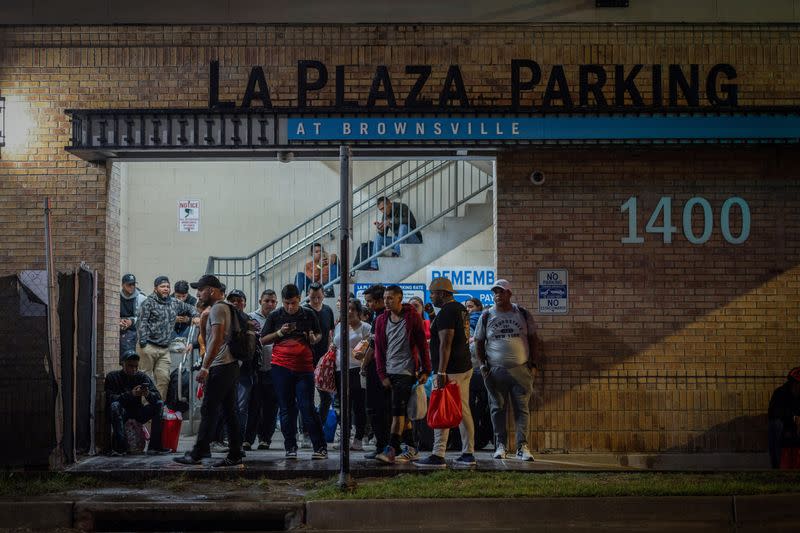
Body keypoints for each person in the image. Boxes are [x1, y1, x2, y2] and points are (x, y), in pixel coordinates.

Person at [174, 275, 244, 467]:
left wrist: (205, 366)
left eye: (201, 289)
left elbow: (216, 339)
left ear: (211, 290)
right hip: (229, 365)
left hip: (221, 366)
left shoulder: (218, 308)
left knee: (209, 409)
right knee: (229, 411)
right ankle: (234, 453)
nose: (198, 293)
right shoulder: (223, 308)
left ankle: (198, 453)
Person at [259, 283, 328, 460]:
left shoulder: (309, 313)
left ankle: (320, 447)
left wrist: (313, 338)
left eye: (294, 303)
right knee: (286, 409)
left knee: (307, 407)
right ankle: (290, 447)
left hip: (304, 368)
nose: (290, 307)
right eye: (287, 303)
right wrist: (280, 333)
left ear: (299, 299)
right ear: (283, 301)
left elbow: (319, 335)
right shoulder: (275, 316)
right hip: (280, 367)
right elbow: (263, 340)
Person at [414, 277, 475, 469]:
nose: (431, 297)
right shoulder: (460, 309)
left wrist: (440, 371)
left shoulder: (448, 311)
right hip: (463, 367)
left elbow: (445, 342)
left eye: (432, 293)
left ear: (441, 293)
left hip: (450, 371)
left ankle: (438, 454)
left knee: (443, 407)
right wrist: (433, 317)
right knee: (462, 409)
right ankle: (468, 453)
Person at [474, 279, 538, 462]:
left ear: (509, 293)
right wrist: (483, 365)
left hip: (521, 370)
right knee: (497, 409)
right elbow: (479, 341)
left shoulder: (522, 313)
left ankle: (522, 446)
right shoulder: (486, 315)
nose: (497, 295)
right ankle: (500, 445)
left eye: (501, 292)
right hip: (495, 371)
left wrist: (534, 365)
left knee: (522, 409)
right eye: (495, 292)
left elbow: (534, 339)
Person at [373, 285, 431, 464]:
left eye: (390, 298)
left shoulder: (412, 317)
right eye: (385, 298)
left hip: (406, 371)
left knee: (398, 413)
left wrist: (426, 370)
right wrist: (382, 374)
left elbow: (422, 344)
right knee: (400, 413)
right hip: (389, 372)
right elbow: (379, 350)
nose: (386, 301)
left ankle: (391, 450)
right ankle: (412, 448)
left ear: (399, 298)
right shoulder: (381, 320)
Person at [136, 276, 198, 400]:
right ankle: (143, 410)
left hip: (164, 349)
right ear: (155, 288)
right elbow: (141, 323)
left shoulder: (174, 302)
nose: (166, 289)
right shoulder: (148, 302)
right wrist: (143, 343)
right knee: (145, 381)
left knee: (164, 379)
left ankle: (158, 408)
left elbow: (191, 309)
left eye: (168, 287)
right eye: (162, 286)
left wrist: (194, 317)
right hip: (148, 346)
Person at [105, 349, 168, 456]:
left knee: (159, 404)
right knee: (115, 406)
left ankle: (155, 446)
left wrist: (147, 394)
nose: (134, 369)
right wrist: (131, 394)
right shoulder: (113, 377)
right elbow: (110, 399)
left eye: (136, 366)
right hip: (122, 412)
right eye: (130, 366)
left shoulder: (141, 377)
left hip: (138, 412)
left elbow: (157, 397)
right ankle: (119, 448)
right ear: (123, 364)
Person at [332, 298, 372, 451]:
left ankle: (359, 438)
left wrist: (363, 363)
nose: (348, 312)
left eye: (351, 309)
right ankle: (344, 438)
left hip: (358, 370)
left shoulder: (365, 328)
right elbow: (334, 345)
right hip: (340, 371)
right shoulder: (339, 326)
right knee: (343, 406)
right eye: (345, 309)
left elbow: (367, 349)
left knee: (359, 406)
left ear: (358, 312)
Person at [244, 289, 279, 450]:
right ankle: (248, 439)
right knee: (253, 405)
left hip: (275, 368)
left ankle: (265, 439)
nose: (270, 304)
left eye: (273, 301)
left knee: (271, 406)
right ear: (260, 301)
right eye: (267, 301)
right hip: (256, 368)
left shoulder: (280, 318)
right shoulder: (251, 318)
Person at [360, 284, 392, 459]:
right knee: (383, 408)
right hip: (387, 367)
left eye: (370, 301)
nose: (369, 305)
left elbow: (373, 346)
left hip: (378, 368)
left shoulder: (380, 318)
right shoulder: (387, 317)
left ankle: (382, 446)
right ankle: (384, 445)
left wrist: (364, 365)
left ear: (380, 301)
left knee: (375, 408)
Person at [303, 282, 336, 447]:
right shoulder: (303, 310)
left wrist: (329, 355)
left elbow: (330, 334)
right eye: (312, 297)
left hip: (323, 361)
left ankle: (318, 427)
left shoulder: (328, 310)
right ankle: (306, 433)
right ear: (308, 295)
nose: (316, 300)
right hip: (306, 360)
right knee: (306, 397)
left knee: (326, 398)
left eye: (319, 296)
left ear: (323, 295)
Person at [370, 196, 423, 270]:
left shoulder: (402, 207)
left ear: (389, 203)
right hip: (399, 240)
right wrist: (381, 229)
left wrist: (391, 221)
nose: (382, 211)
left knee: (403, 227)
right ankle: (374, 265)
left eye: (383, 208)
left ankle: (397, 253)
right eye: (380, 210)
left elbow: (411, 221)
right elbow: (383, 235)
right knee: (378, 237)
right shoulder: (385, 215)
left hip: (413, 239)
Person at [768, 367, 800, 468]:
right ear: (794, 384)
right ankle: (778, 466)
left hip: (795, 427)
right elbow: (774, 413)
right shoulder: (780, 393)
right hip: (784, 425)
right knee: (776, 425)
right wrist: (792, 418)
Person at [120, 274, 146, 359]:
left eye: (133, 284)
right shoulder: (117, 297)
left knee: (129, 339)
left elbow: (144, 317)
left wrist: (131, 321)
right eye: (129, 284)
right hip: (121, 325)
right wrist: (120, 321)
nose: (132, 287)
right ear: (123, 285)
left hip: (136, 328)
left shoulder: (142, 298)